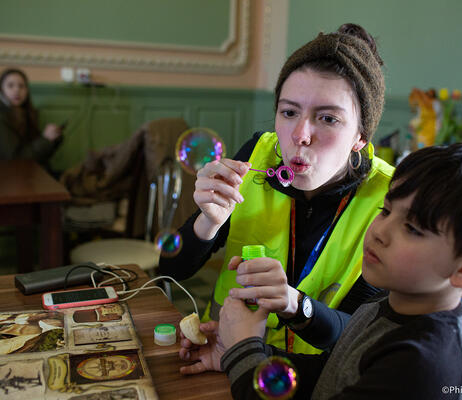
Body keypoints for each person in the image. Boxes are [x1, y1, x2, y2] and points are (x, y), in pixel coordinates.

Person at [189, 143, 462, 399]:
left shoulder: (423, 366)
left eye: (413, 228)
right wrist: (244, 352)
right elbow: (333, 373)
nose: (380, 231)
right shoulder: (387, 306)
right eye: (386, 210)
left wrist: (244, 350)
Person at [160, 23, 394, 355]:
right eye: (288, 112)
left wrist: (296, 304)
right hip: (227, 363)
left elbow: (359, 336)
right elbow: (170, 269)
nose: (300, 134)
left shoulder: (389, 198)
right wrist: (208, 223)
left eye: (327, 119)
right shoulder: (257, 154)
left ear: (361, 136)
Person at [0, 68, 63, 170]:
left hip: (15, 177)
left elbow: (31, 154)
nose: (17, 90)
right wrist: (46, 139)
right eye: (10, 86)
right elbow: (15, 161)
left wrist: (53, 140)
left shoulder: (22, 114)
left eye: (21, 86)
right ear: (1, 90)